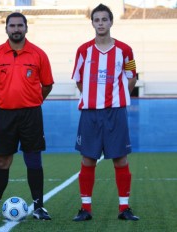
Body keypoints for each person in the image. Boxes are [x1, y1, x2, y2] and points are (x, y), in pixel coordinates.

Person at [0, 12, 54, 221]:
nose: (16, 29)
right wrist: (4, 100)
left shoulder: (39, 54)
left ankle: (39, 207)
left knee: (33, 160)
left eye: (20, 25)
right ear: (6, 29)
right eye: (12, 26)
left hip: (31, 114)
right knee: (2, 161)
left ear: (26, 28)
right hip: (4, 115)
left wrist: (32, 100)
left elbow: (47, 85)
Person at [71, 4, 139, 221]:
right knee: (88, 160)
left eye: (104, 19)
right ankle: (85, 208)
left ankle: (124, 208)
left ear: (111, 22)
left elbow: (132, 76)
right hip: (90, 114)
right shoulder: (83, 50)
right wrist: (93, 98)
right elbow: (79, 80)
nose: (100, 23)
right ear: (92, 23)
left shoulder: (125, 50)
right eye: (96, 20)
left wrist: (120, 97)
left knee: (120, 160)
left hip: (115, 113)